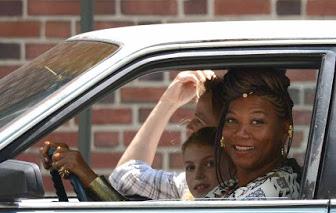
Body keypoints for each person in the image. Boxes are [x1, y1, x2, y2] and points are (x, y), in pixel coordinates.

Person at [40, 70, 224, 200]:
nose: (189, 126)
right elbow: (126, 177)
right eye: (191, 167)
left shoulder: (224, 189)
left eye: (200, 121)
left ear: (226, 135)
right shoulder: (187, 183)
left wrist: (84, 173)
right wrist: (168, 102)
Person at [205, 68, 301, 199]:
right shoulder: (231, 186)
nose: (241, 133)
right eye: (231, 120)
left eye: (257, 122)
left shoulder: (270, 192)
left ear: (285, 129)